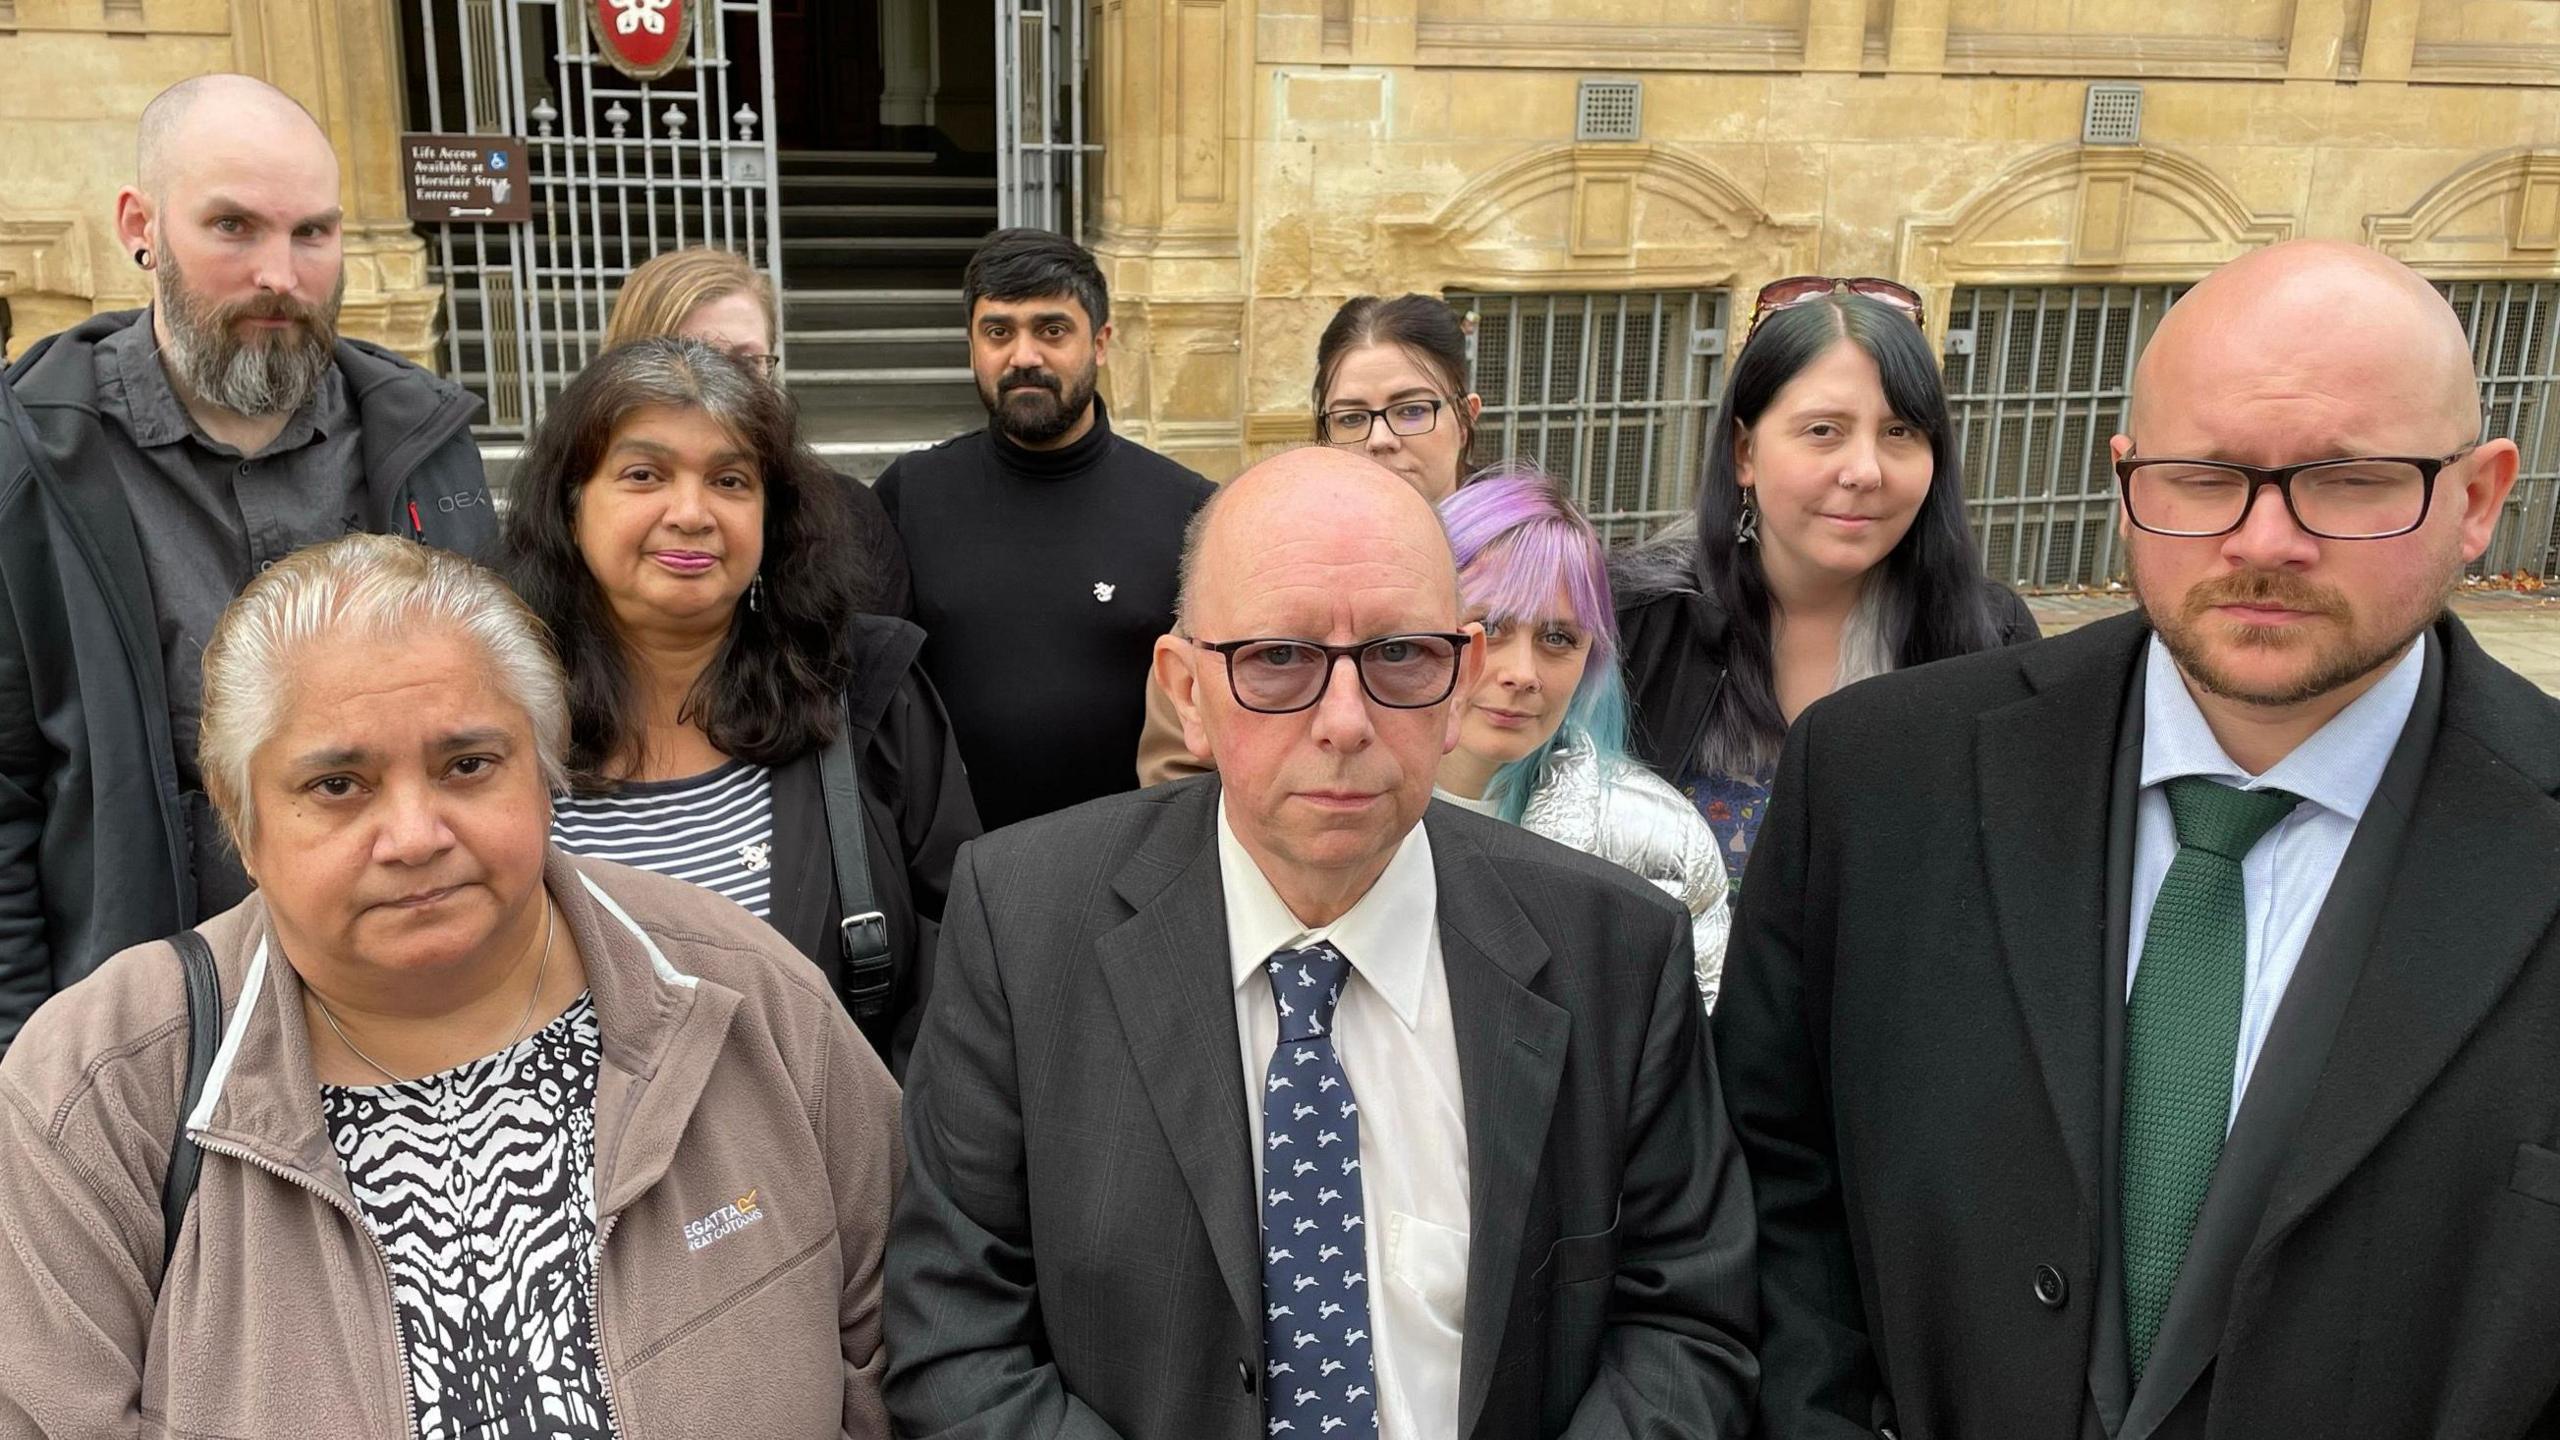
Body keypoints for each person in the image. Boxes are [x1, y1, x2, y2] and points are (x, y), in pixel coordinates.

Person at [1715, 240, 2560, 1439]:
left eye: (2350, 478)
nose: (2265, 540)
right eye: (2204, 476)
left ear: (2477, 497)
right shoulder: (1877, 778)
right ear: (2125, 481)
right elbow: (1771, 1178)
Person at [886, 447, 1758, 1440]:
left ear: (1460, 677)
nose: (1344, 722)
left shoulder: (1615, 950)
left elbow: (1689, 1324)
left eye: (1398, 656)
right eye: (1277, 659)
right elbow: (954, 1338)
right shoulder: (1021, 924)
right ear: (1184, 690)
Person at [0, 533, 902, 1437]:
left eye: (467, 765)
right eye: (339, 783)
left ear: (547, 774)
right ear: (241, 820)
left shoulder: (744, 995)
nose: (414, 835)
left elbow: (907, 1354)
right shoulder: (100, 1092)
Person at [0, 75, 491, 1051]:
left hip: (404, 1025)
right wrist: (27, 1066)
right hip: (147, 1050)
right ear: (141, 226)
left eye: (313, 232)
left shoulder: (424, 445)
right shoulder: (32, 465)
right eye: (234, 227)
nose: (282, 273)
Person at [498, 339, 977, 1074]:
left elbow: (962, 972)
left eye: (729, 480)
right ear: (570, 506)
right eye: (643, 474)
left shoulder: (870, 700)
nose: (691, 513)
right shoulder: (488, 728)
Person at [1613, 282, 2036, 894]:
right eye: (1823, 430)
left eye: (1900, 433)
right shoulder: (1639, 622)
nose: (1865, 471)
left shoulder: (1992, 639)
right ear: (1744, 451)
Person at [875, 228, 1213, 831]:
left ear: (1101, 342)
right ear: (972, 345)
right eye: (998, 332)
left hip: (1128, 867)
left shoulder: (1189, 510)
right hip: (948, 876)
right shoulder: (911, 495)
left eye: (1052, 330)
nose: (1023, 355)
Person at [1138, 294, 1485, 786]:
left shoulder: (1541, 585)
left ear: (1466, 417)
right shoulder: (1243, 594)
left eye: (1410, 411)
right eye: (1351, 417)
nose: (1380, 439)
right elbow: (1180, 782)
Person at [1432, 466, 1730, 1008]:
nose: (1522, 672)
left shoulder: (1664, 844)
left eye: (1557, 637)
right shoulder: (1332, 812)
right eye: (1489, 626)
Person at [603, 245, 912, 616]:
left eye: (746, 362)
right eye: (689, 356)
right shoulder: (565, 512)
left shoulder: (847, 517)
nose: (720, 382)